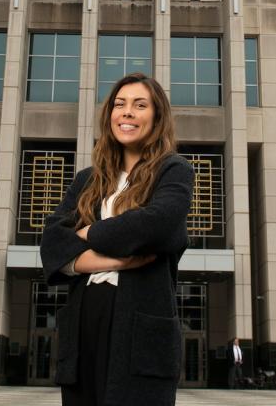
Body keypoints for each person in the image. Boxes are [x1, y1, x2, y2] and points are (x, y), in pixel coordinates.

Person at [41, 73, 194, 406]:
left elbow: (156, 225)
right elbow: (51, 243)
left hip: (139, 322)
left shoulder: (173, 170)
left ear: (156, 117)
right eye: (119, 104)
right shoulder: (87, 180)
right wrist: (110, 259)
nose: (127, 112)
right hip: (85, 319)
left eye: (140, 105)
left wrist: (86, 233)